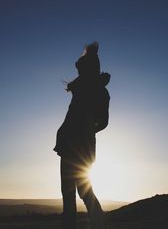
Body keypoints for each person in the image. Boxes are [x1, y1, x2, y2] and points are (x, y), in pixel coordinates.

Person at [54, 42, 110, 229]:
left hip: (82, 147)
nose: (78, 72)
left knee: (83, 192)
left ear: (90, 69)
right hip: (69, 146)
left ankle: (99, 225)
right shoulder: (85, 89)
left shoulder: (99, 91)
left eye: (82, 69)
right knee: (69, 192)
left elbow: (103, 122)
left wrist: (86, 129)